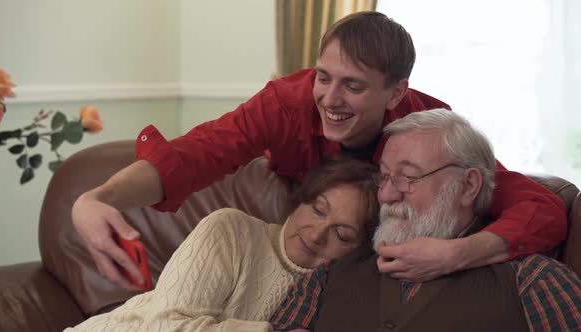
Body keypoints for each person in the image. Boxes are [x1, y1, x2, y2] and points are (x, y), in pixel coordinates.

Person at [71, 10, 566, 326]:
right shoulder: (287, 104)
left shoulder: (427, 132)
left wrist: (457, 253)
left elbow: (538, 204)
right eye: (323, 77)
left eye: (352, 85)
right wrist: (98, 199)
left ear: (394, 93)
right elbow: (193, 155)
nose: (329, 98)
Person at [314, 109, 581, 332]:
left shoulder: (534, 280)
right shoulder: (329, 272)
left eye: (408, 177)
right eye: (384, 176)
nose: (386, 195)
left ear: (468, 187)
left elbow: (543, 209)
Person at [66, 158, 379, 332]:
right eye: (318, 209)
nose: (316, 234)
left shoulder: (327, 294)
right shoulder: (231, 230)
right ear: (300, 202)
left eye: (342, 235)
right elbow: (165, 327)